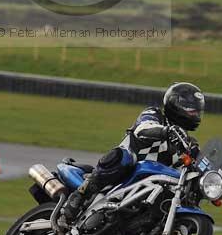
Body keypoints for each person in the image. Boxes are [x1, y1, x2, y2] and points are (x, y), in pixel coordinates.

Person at [62, 82, 205, 223]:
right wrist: (165, 131)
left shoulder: (189, 143)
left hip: (156, 184)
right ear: (176, 104)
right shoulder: (154, 114)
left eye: (197, 110)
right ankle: (80, 195)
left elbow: (199, 164)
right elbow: (143, 128)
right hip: (130, 169)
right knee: (120, 156)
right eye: (191, 109)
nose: (195, 114)